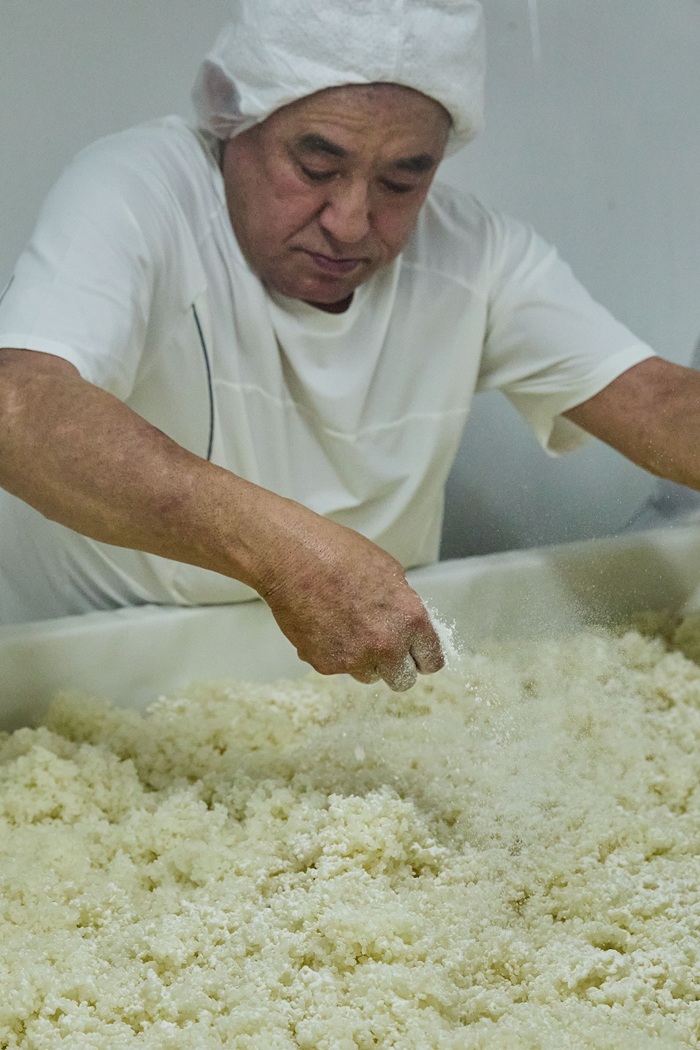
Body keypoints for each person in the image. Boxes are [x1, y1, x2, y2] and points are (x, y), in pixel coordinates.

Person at [0, 0, 698, 691]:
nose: (351, 221)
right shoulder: (140, 192)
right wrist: (283, 554)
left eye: (401, 181)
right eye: (315, 167)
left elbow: (660, 404)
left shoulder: (476, 253)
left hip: (361, 690)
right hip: (93, 678)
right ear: (233, 119)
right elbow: (19, 407)